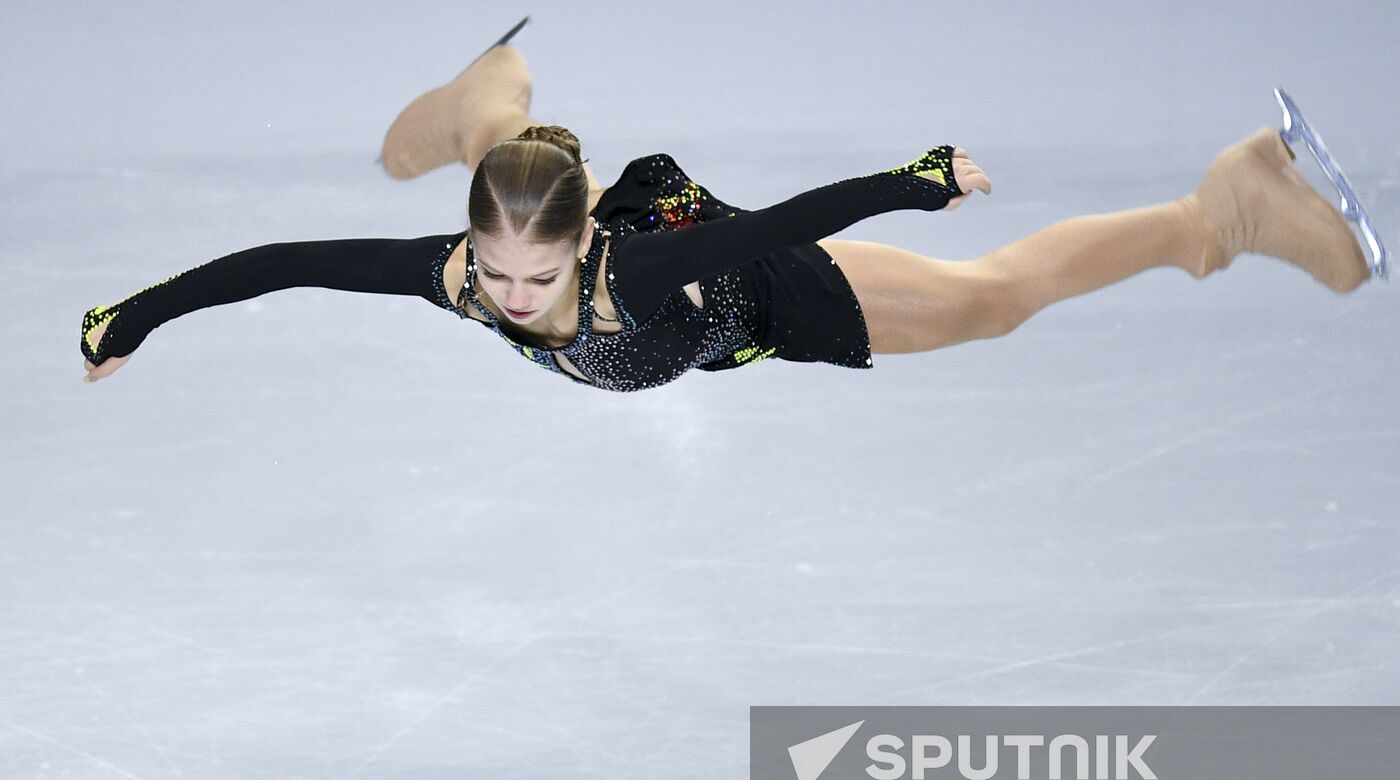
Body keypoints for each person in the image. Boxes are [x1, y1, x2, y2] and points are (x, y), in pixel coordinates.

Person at [80, 21, 1374, 392]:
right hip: (606, 220)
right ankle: (492, 97)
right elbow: (280, 262)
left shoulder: (620, 279)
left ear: (585, 248)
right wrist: (128, 317)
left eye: (540, 278)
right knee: (522, 162)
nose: (519, 305)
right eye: (501, 278)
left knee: (992, 303)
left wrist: (913, 183)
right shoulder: (469, 268)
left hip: (748, 289)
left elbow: (775, 227)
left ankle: (1225, 210)